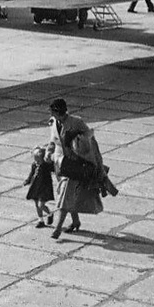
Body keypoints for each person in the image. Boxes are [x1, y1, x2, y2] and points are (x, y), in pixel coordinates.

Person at [47, 98, 104, 240]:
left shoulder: (76, 121)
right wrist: (49, 151)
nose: (53, 115)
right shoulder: (53, 123)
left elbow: (90, 135)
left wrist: (77, 138)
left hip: (75, 165)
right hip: (60, 164)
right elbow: (53, 141)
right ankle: (76, 221)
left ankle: (58, 228)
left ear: (59, 111)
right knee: (65, 192)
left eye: (54, 112)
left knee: (65, 195)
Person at [23, 146, 54, 228]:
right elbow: (32, 173)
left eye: (38, 159)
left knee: (41, 205)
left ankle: (50, 213)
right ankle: (40, 220)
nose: (36, 161)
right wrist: (27, 180)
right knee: (36, 204)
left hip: (44, 187)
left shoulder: (46, 166)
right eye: (35, 158)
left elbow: (54, 168)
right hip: (36, 185)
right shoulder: (34, 165)